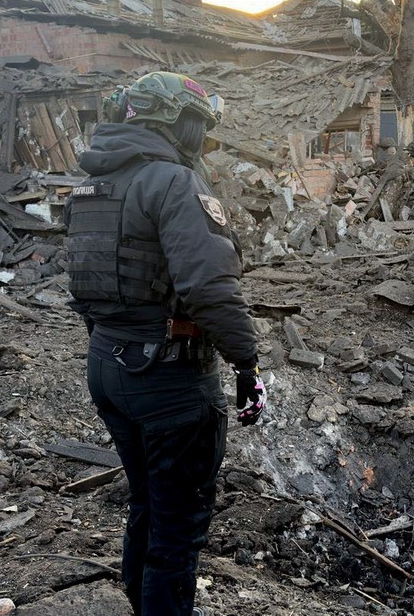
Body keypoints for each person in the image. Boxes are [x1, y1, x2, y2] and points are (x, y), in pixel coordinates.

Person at [64, 71, 266, 616]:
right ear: (178, 122)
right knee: (177, 533)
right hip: (170, 380)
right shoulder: (172, 182)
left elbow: (88, 286)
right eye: (200, 125)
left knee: (148, 506)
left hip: (108, 365)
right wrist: (247, 364)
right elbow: (209, 288)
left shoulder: (91, 186)